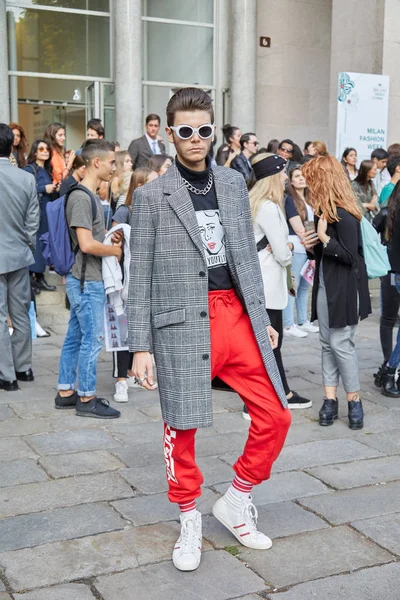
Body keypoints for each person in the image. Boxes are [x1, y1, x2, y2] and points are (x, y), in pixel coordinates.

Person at [127, 87, 291, 573]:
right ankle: (189, 519)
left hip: (235, 314)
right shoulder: (153, 195)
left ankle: (237, 499)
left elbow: (244, 257)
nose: (195, 139)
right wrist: (140, 346)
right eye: (185, 131)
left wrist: (260, 320)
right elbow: (142, 276)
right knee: (182, 426)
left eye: (204, 130)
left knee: (276, 414)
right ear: (171, 134)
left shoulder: (234, 184)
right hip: (180, 319)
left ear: (213, 130)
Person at [55, 139, 123, 419]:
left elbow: (90, 239)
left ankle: (66, 393)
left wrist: (108, 238)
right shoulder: (83, 197)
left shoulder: (88, 196)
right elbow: (86, 244)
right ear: (96, 162)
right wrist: (114, 250)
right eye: (112, 162)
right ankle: (86, 397)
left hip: (83, 279)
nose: (114, 167)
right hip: (87, 280)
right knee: (92, 339)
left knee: (75, 336)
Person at [302, 155, 370, 430]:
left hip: (345, 288)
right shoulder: (324, 212)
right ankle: (330, 399)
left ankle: (354, 400)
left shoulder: (345, 213)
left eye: (312, 179)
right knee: (327, 343)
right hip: (326, 286)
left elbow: (352, 258)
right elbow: (326, 256)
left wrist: (326, 239)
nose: (308, 185)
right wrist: (313, 246)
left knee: (342, 344)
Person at [250, 153, 312, 411]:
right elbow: (283, 253)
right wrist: (287, 244)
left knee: (264, 343)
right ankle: (274, 396)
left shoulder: (252, 202)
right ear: (273, 176)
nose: (286, 177)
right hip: (269, 284)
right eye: (283, 172)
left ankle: (277, 392)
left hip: (259, 282)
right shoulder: (268, 207)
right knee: (272, 343)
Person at [0, 124, 39, 391]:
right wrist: (27, 245)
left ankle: (6, 374)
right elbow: (33, 220)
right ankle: (23, 367)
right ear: (12, 146)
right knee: (22, 314)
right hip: (19, 253)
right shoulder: (26, 178)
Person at [283, 165, 319, 338]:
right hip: (297, 247)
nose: (301, 178)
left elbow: (310, 225)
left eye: (303, 175)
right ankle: (289, 324)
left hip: (307, 247)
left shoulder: (308, 199)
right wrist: (310, 244)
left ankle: (303, 321)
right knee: (293, 286)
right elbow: (298, 227)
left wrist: (311, 245)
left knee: (304, 286)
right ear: (290, 181)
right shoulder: (290, 199)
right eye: (297, 176)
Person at [374, 182, 400, 397]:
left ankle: (389, 366)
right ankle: (389, 369)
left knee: (389, 319)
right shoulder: (385, 214)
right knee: (389, 319)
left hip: (389, 272)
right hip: (391, 272)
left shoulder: (384, 213)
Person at [24, 140, 58, 292]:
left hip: (46, 211)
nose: (45, 151)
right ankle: (32, 278)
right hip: (35, 212)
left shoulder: (47, 169)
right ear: (35, 152)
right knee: (36, 243)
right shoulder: (30, 169)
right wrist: (45, 188)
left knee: (44, 243)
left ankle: (40, 276)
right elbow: (26, 188)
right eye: (41, 149)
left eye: (47, 149)